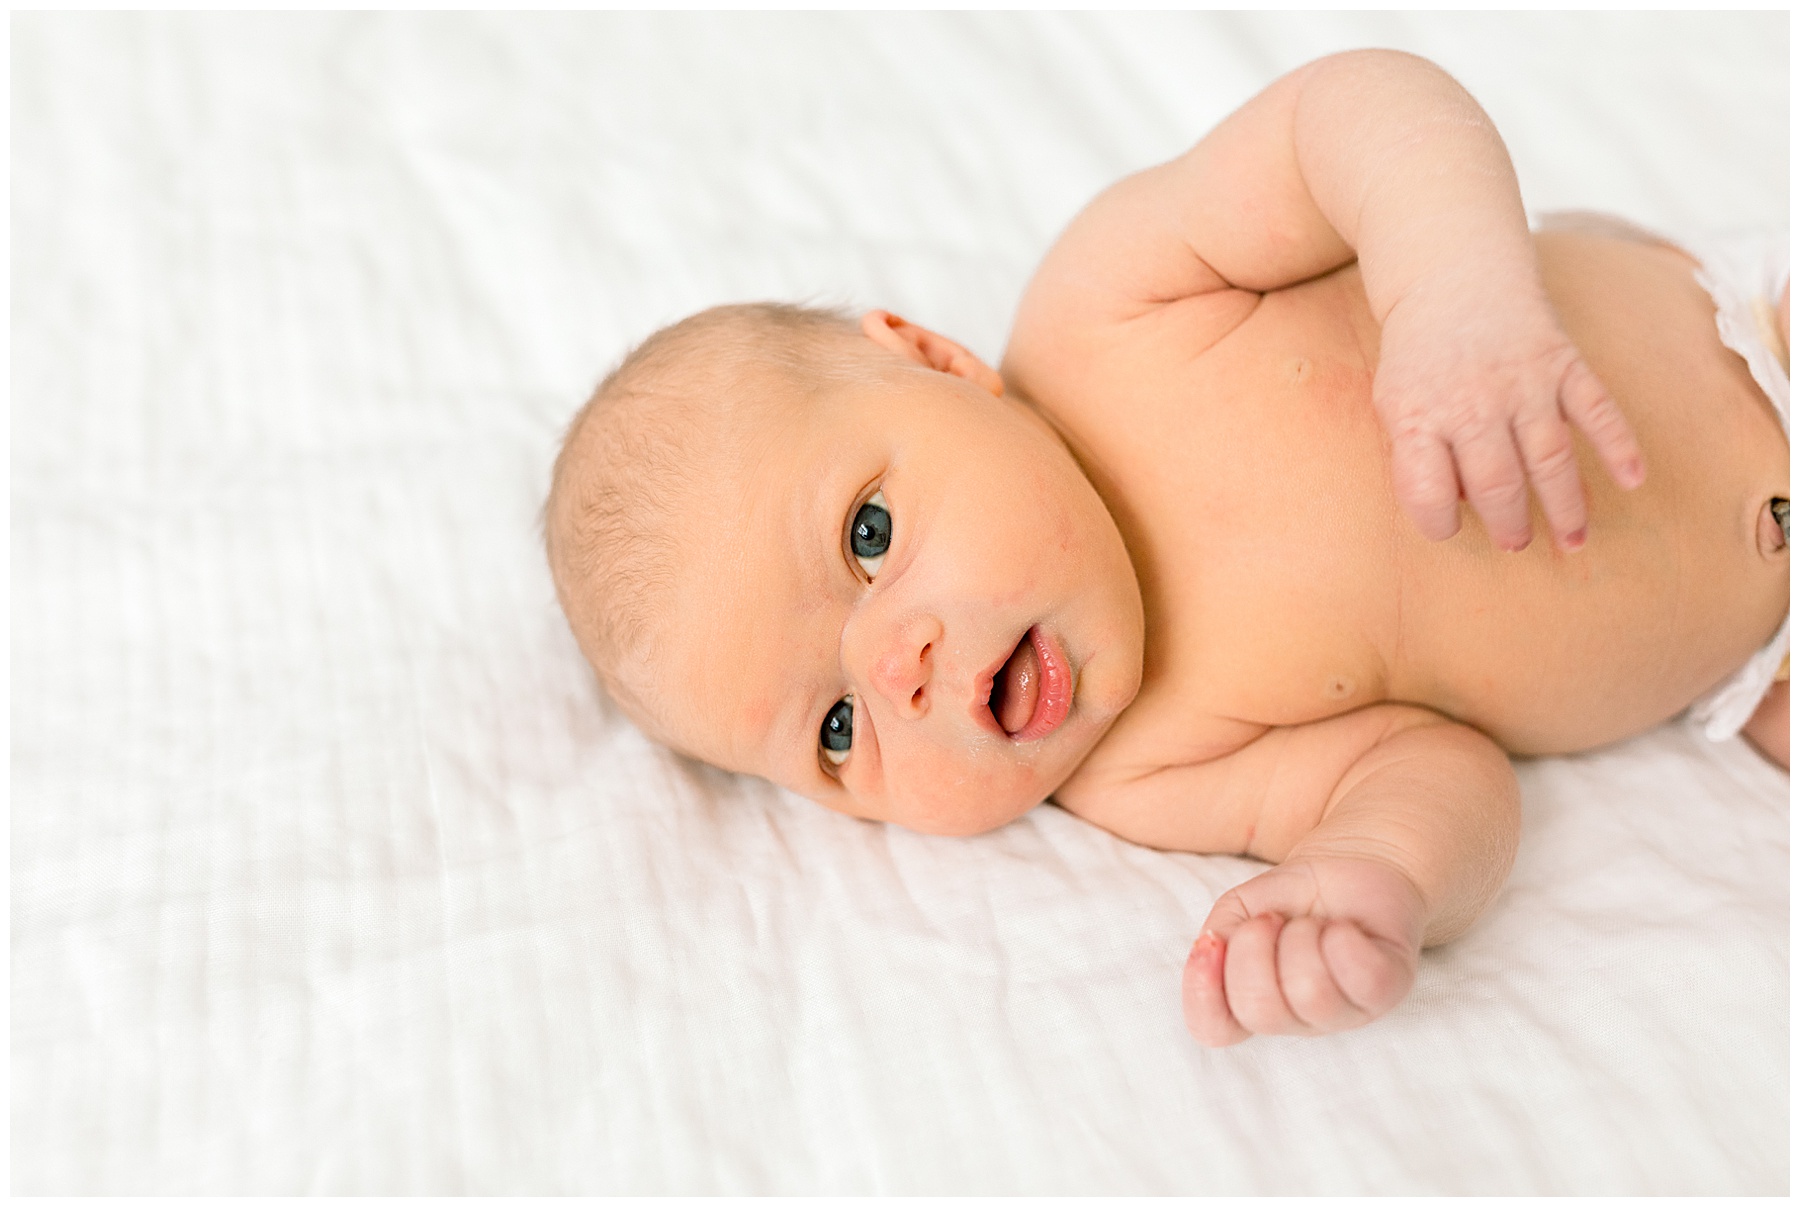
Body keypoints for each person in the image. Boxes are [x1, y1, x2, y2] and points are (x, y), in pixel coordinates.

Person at [544, 50, 1789, 1046]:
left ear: (934, 359)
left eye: (867, 538)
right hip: (1761, 668)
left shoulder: (1109, 306)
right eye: (834, 732)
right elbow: (1438, 771)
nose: (898, 673)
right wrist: (1377, 874)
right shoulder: (1139, 775)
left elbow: (1356, 112)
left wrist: (1450, 294)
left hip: (1749, 341)